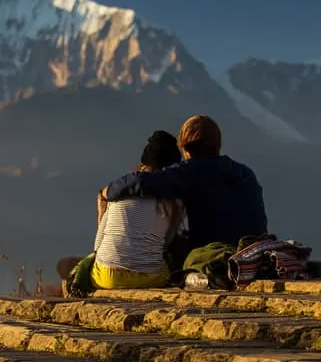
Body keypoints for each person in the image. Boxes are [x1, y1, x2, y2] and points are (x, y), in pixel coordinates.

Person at [99, 115, 268, 250]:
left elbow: (141, 181)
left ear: (185, 149)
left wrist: (107, 191)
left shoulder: (190, 172)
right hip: (255, 252)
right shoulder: (246, 172)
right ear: (218, 144)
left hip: (218, 255)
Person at [89, 130, 187, 290]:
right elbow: (166, 243)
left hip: (108, 278)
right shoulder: (175, 202)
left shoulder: (118, 193)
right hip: (150, 278)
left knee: (67, 265)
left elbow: (98, 244)